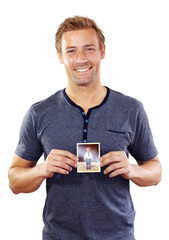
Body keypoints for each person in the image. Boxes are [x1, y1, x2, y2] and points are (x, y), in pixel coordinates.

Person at [8, 16, 162, 240]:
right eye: (71, 51)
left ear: (102, 51)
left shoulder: (131, 109)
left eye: (89, 49)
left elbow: (155, 171)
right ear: (60, 56)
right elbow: (14, 181)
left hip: (118, 236)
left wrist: (132, 170)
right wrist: (41, 169)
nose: (81, 59)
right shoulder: (39, 113)